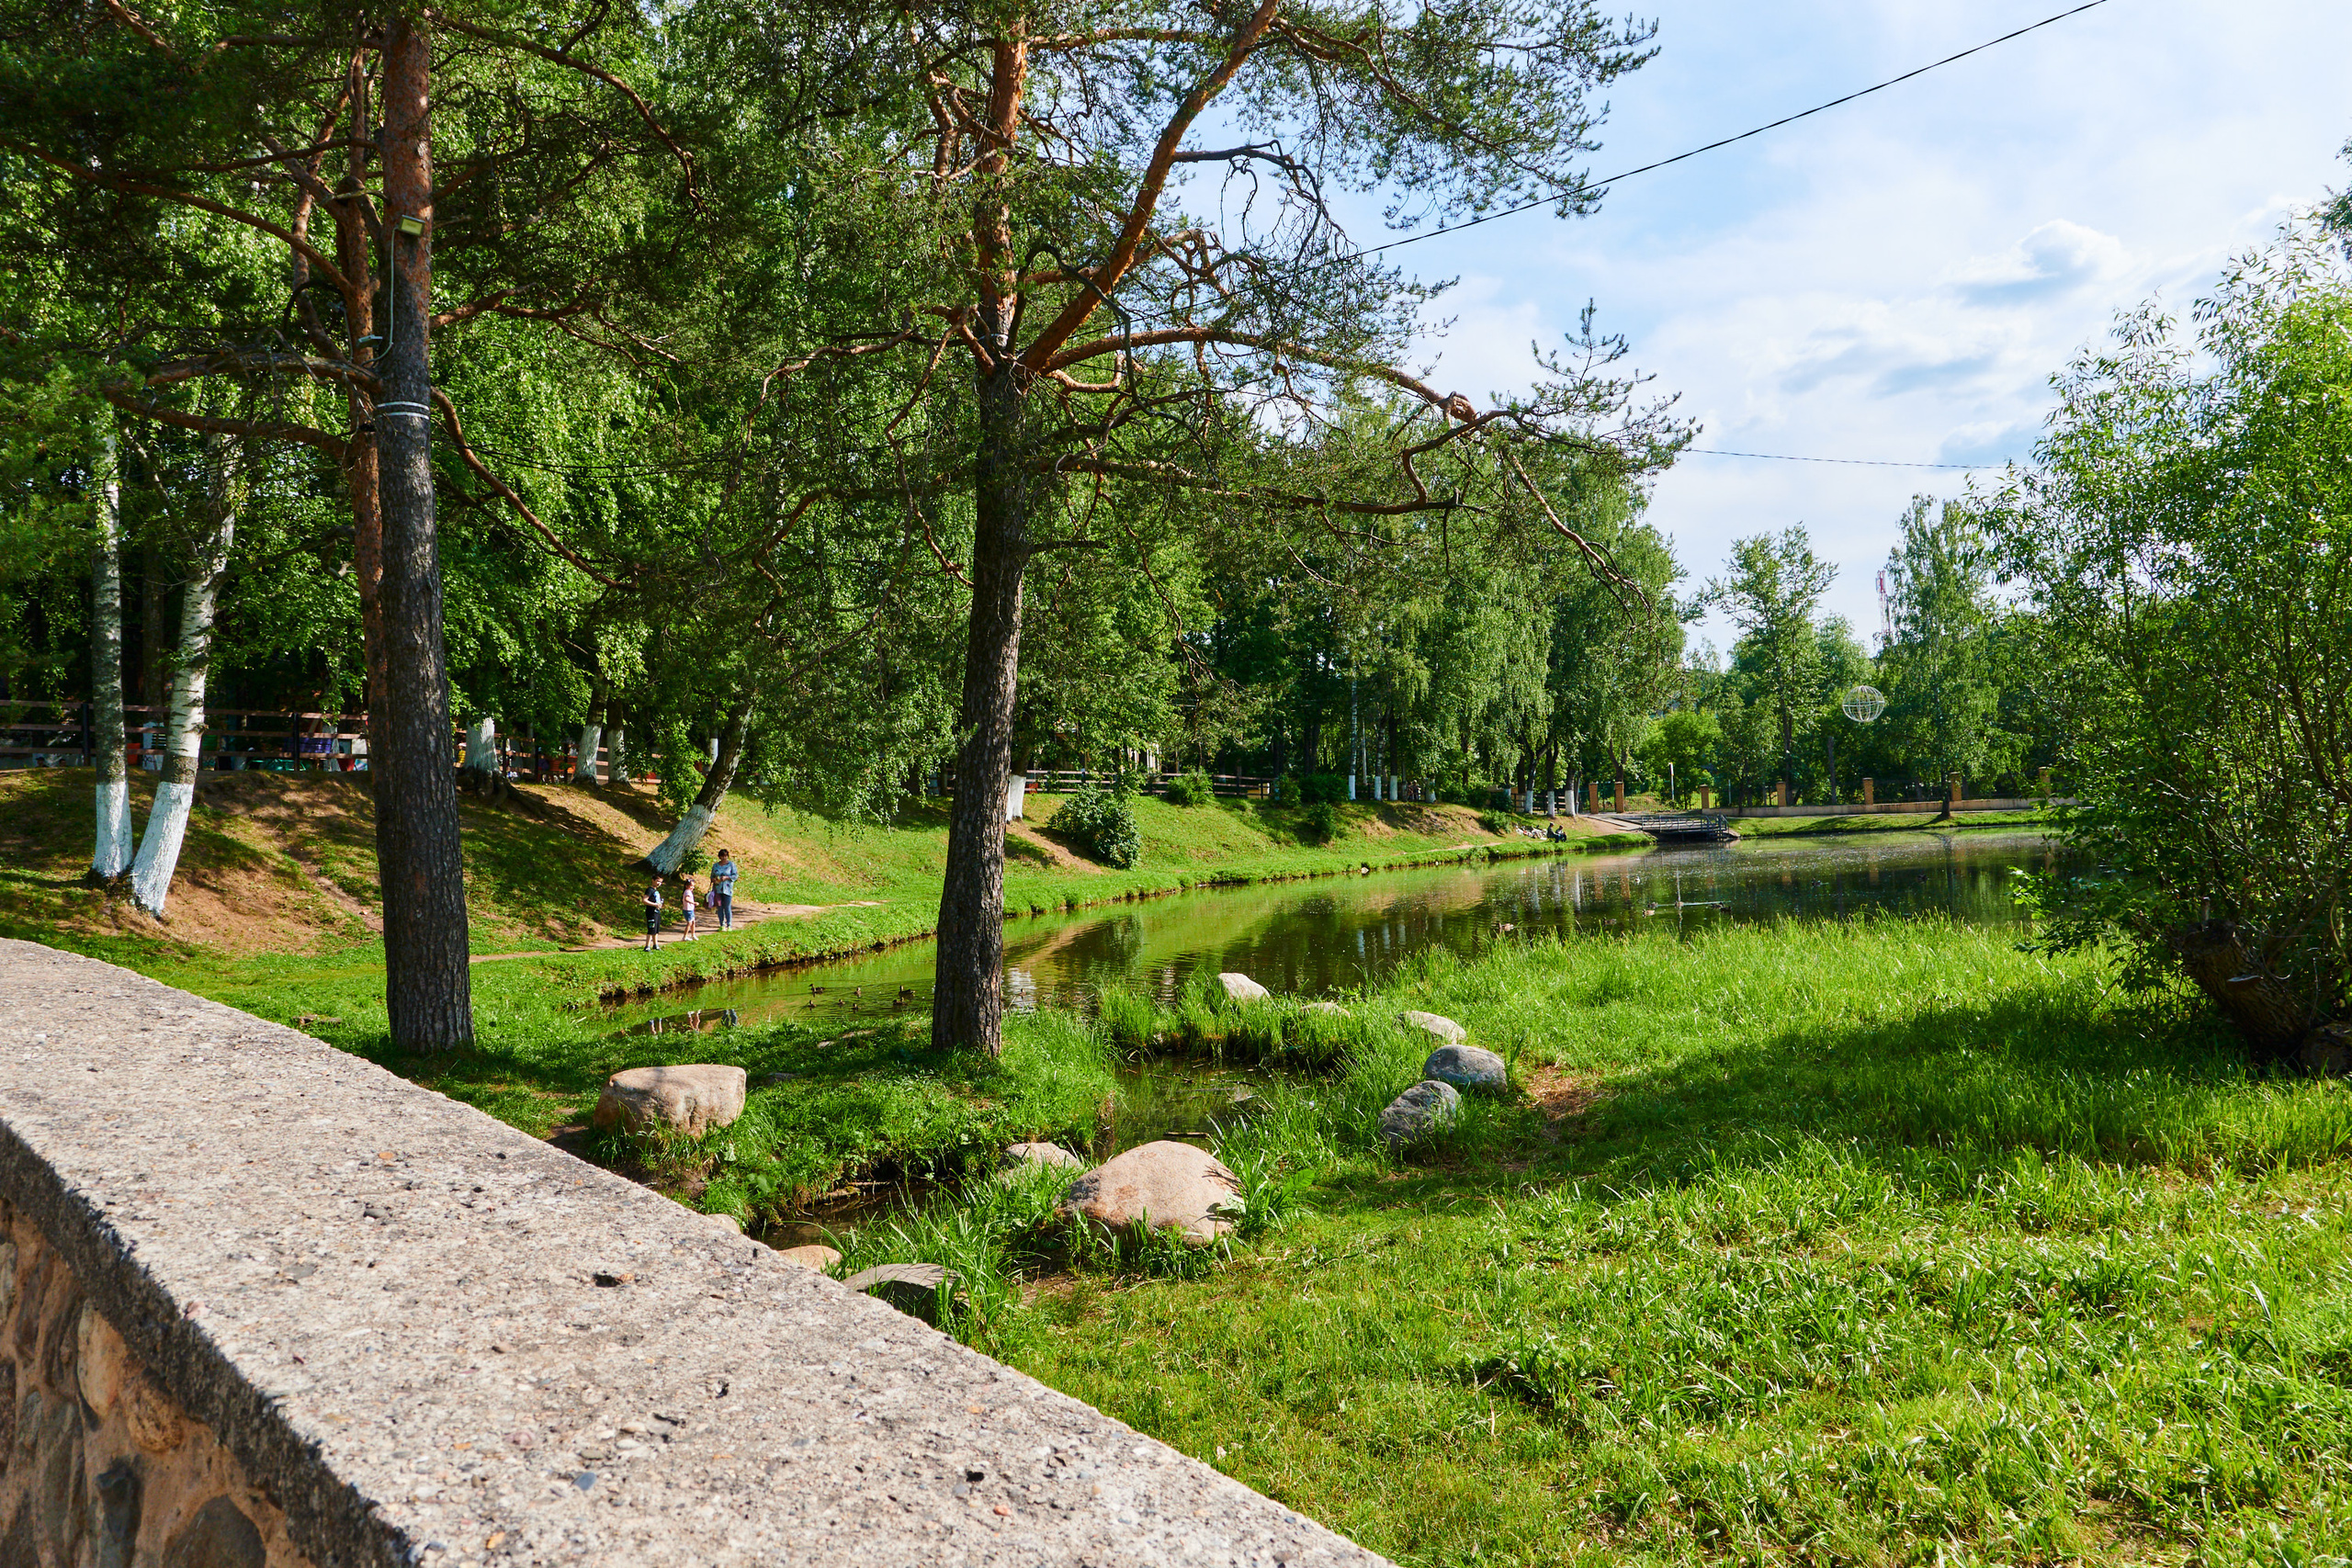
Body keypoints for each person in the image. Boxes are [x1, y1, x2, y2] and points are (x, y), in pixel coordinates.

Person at [710, 849, 738, 931]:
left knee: (727, 907)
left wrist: (726, 878)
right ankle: (722, 924)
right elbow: (712, 876)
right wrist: (714, 879)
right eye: (722, 856)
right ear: (719, 857)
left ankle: (729, 925)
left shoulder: (731, 865)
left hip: (727, 889)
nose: (724, 858)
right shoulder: (716, 866)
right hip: (717, 889)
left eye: (725, 856)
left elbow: (735, 876)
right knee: (720, 907)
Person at [641, 878, 664, 952]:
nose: (659, 883)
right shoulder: (650, 890)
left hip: (656, 912)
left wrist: (659, 905)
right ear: (653, 880)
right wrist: (654, 904)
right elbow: (644, 900)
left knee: (656, 929)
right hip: (651, 912)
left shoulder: (656, 891)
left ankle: (655, 945)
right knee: (651, 928)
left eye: (660, 882)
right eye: (657, 881)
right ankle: (647, 946)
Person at [679, 875, 698, 942]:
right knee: (689, 923)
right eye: (691, 886)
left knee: (693, 922)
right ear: (687, 886)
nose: (692, 887)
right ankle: (685, 937)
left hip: (690, 909)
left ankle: (693, 935)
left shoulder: (689, 891)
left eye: (693, 886)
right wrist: (693, 903)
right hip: (688, 910)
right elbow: (686, 899)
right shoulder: (687, 891)